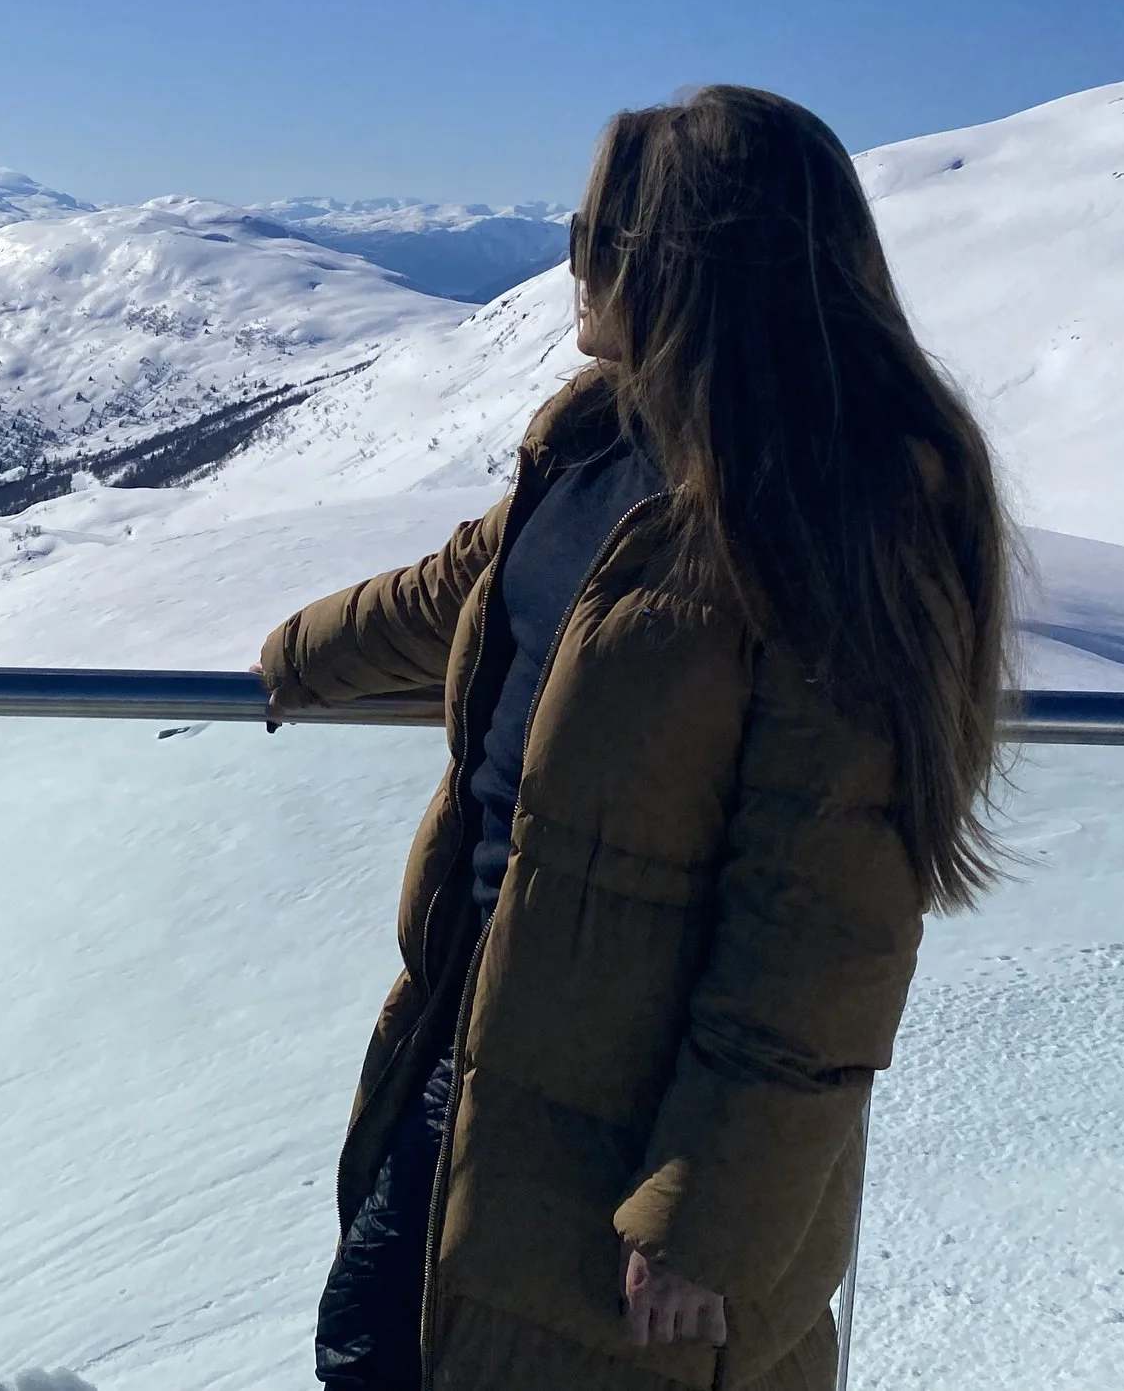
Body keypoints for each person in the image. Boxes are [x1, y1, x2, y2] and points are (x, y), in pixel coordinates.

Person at [257, 87, 1011, 1391]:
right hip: (477, 1040)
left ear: (670, 259)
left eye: (592, 227)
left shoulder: (832, 521)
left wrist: (705, 1211)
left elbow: (826, 915)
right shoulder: (600, 438)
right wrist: (293, 658)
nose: (570, 255)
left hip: (632, 1143)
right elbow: (468, 588)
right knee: (367, 1349)